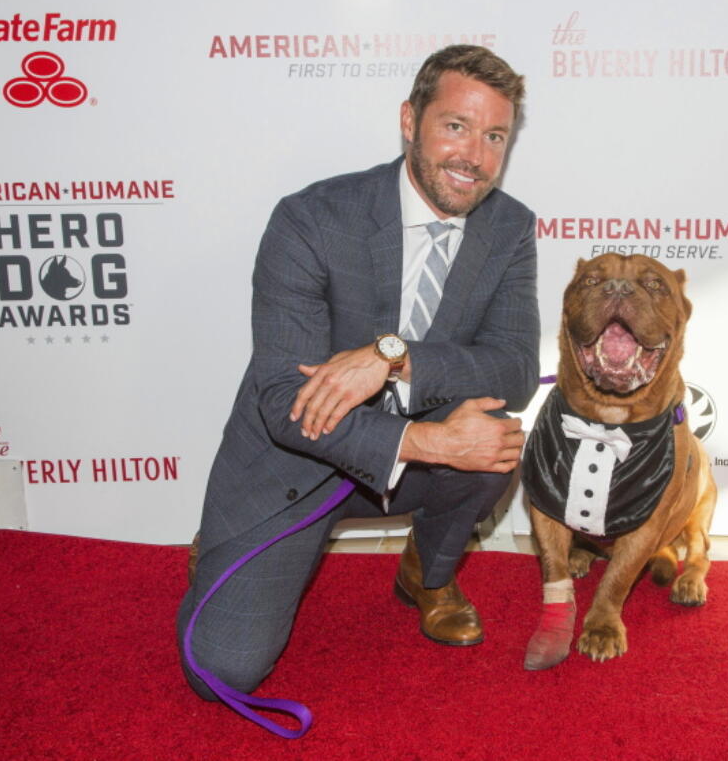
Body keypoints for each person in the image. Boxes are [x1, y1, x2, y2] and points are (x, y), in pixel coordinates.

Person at [177, 45, 539, 700]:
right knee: (223, 670)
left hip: (405, 460)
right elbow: (285, 397)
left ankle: (427, 572)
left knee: (493, 433)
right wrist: (430, 442)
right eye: (455, 127)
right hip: (298, 461)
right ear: (409, 121)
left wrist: (392, 357)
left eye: (494, 137)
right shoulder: (312, 219)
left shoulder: (508, 227)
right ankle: (230, 544)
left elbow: (515, 367)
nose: (474, 157)